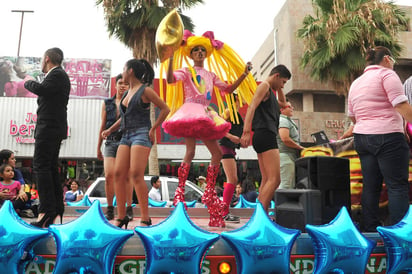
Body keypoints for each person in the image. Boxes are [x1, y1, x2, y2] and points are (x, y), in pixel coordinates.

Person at [162, 30, 254, 227]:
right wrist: (170, 59)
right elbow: (170, 80)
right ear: (190, 53)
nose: (200, 53)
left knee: (217, 154)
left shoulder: (211, 74)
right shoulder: (186, 71)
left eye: (203, 50)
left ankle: (210, 193)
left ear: (206, 53)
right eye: (196, 50)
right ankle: (179, 195)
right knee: (190, 150)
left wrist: (244, 74)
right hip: (190, 110)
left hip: (206, 112)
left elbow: (228, 89)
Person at [348, 46, 412, 232]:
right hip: (388, 137)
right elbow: (400, 105)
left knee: (370, 185)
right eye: (392, 60)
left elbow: (353, 116)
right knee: (396, 186)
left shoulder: (356, 83)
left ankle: (370, 229)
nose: (393, 64)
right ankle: (401, 233)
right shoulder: (387, 75)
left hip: (362, 137)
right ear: (386, 58)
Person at [102, 59, 170, 228]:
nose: (122, 72)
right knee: (118, 173)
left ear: (130, 71)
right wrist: (110, 130)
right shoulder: (127, 92)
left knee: (136, 175)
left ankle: (145, 218)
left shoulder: (145, 90)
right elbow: (122, 118)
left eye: (124, 69)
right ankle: (122, 216)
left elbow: (165, 108)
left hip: (141, 133)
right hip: (125, 135)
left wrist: (153, 128)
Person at [24, 47, 70, 228]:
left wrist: (28, 82)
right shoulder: (59, 75)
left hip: (49, 127)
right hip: (53, 127)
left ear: (48, 58)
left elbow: (42, 89)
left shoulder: (57, 74)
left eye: (42, 59)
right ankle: (55, 209)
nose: (41, 62)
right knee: (49, 168)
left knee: (41, 167)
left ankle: (46, 211)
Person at [240, 65, 291, 212]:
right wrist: (246, 132)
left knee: (267, 179)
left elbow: (283, 103)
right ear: (276, 76)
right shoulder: (264, 86)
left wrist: (279, 86)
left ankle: (261, 213)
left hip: (263, 136)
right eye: (283, 82)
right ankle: (260, 215)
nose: (282, 85)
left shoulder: (271, 91)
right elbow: (251, 107)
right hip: (265, 134)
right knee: (275, 179)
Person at [97, 73, 133, 221]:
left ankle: (129, 208)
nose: (123, 86)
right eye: (120, 83)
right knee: (109, 176)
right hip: (110, 142)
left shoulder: (132, 102)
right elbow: (103, 125)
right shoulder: (107, 103)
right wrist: (98, 147)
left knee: (126, 176)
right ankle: (110, 209)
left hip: (126, 141)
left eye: (126, 84)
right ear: (115, 85)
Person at [219, 92, 244, 222]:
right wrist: (231, 137)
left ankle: (225, 211)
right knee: (232, 179)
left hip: (230, 148)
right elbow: (218, 127)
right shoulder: (229, 111)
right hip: (225, 147)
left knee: (233, 179)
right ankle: (224, 212)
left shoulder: (235, 113)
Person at [277, 101, 304, 189]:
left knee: (288, 184)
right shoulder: (283, 120)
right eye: (289, 106)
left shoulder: (286, 120)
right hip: (285, 156)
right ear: (282, 109)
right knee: (286, 185)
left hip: (288, 156)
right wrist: (300, 147)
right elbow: (285, 139)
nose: (292, 108)